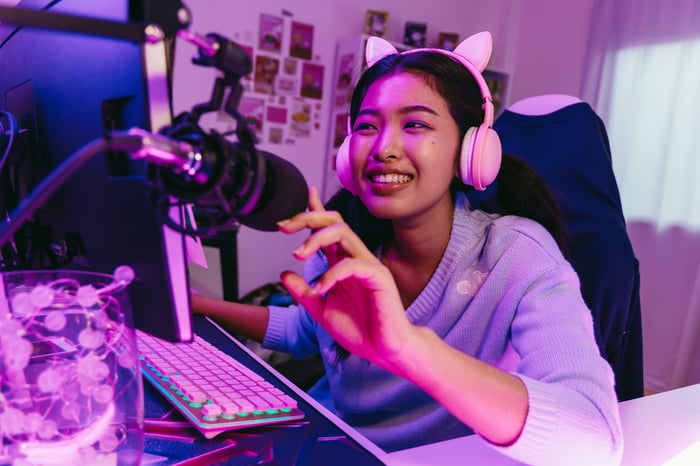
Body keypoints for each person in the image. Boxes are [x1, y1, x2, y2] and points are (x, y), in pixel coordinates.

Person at [193, 31, 623, 465]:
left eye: (415, 124)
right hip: (327, 443)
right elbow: (305, 332)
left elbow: (594, 440)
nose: (384, 148)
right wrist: (194, 304)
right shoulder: (344, 246)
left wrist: (407, 346)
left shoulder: (515, 255)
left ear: (471, 150)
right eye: (366, 126)